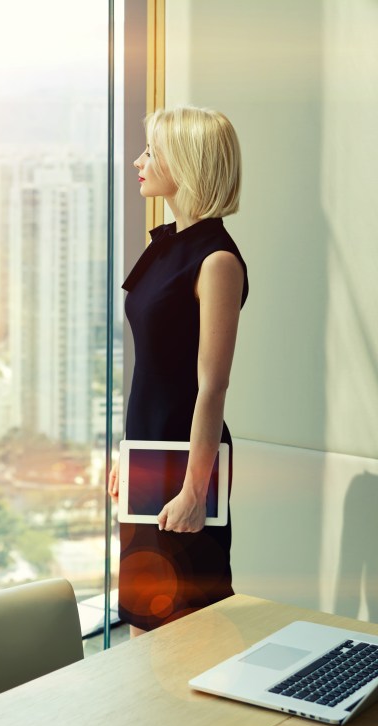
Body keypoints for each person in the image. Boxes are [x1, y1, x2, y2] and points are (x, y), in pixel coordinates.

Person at [107, 106, 248, 636]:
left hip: (187, 462)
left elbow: (211, 388)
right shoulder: (163, 244)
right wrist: (127, 454)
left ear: (186, 163)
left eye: (152, 152)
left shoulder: (217, 262)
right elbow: (151, 368)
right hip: (148, 454)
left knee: (189, 629)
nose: (140, 162)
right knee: (144, 621)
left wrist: (195, 488)